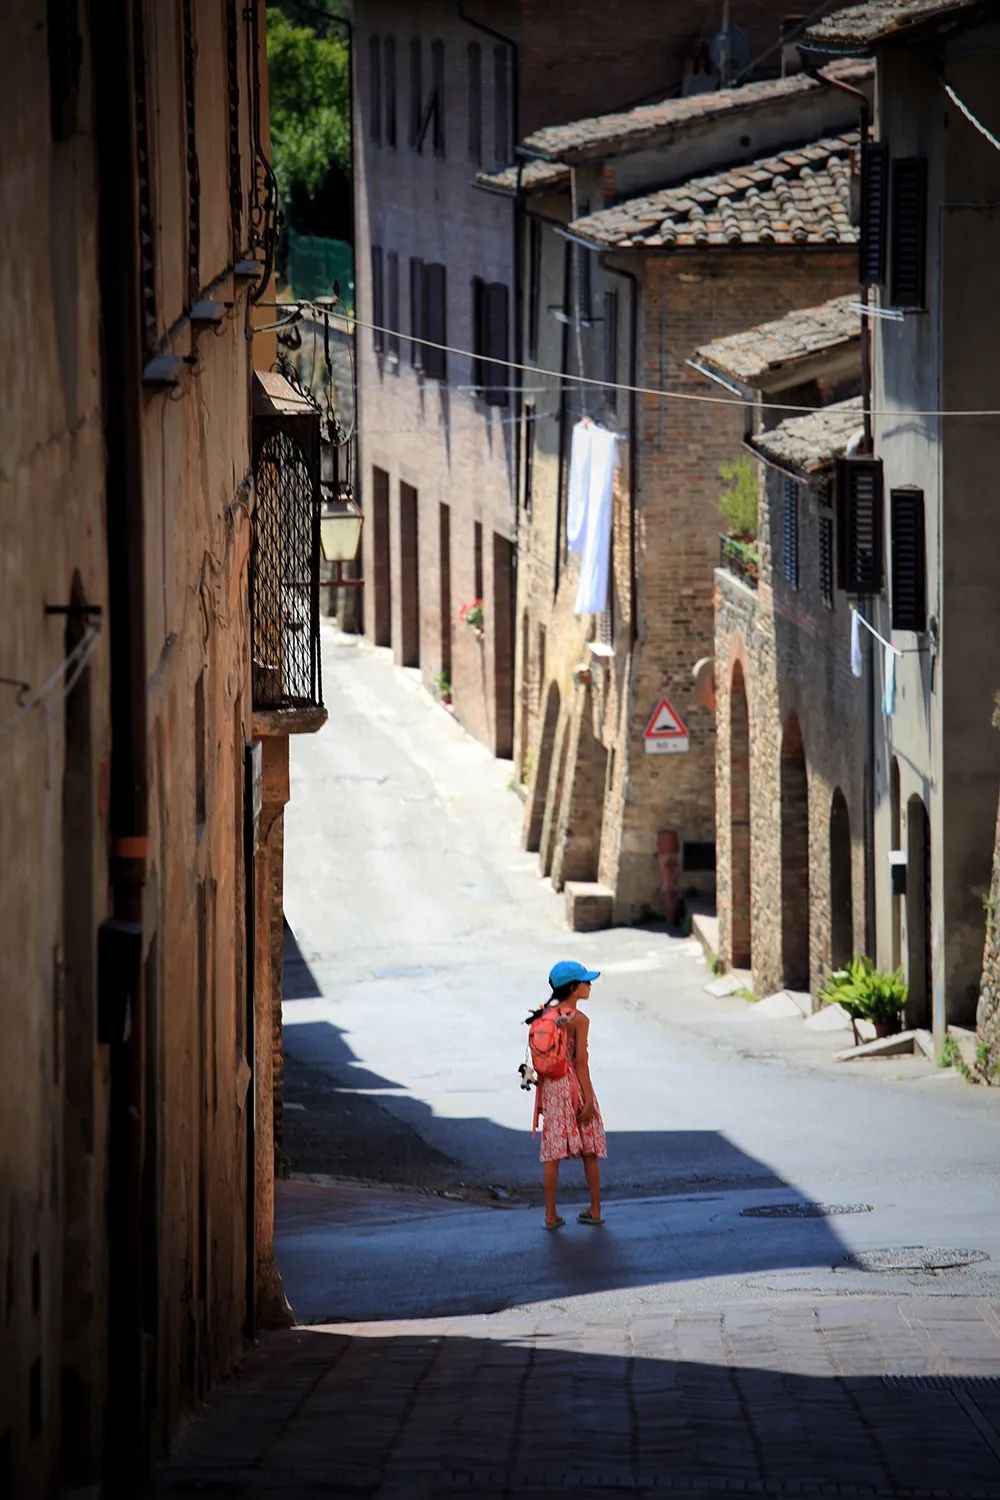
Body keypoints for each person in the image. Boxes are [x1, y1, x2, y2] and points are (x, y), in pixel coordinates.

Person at [532, 959, 607, 1230]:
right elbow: (581, 1063)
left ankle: (550, 1215)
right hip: (573, 1085)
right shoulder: (579, 1020)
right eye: (586, 982)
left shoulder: (544, 1015)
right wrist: (588, 1099)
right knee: (590, 1148)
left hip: (551, 1087)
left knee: (552, 1152)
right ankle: (595, 1209)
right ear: (574, 988)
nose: (589, 985)